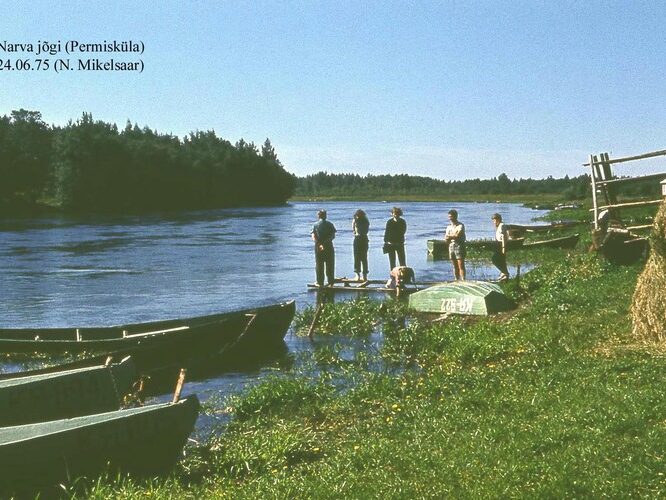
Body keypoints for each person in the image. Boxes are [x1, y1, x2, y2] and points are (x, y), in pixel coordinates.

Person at [311, 209, 336, 287]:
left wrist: (318, 243)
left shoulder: (315, 225)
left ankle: (320, 282)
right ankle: (330, 282)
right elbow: (333, 236)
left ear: (319, 216)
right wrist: (326, 242)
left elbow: (313, 236)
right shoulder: (330, 224)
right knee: (330, 264)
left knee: (319, 264)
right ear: (325, 215)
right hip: (328, 246)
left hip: (318, 246)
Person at [444, 209, 466, 280]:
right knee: (454, 265)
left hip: (459, 245)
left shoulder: (460, 225)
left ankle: (463, 280)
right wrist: (451, 237)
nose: (450, 219)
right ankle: (456, 280)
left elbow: (457, 235)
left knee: (461, 265)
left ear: (455, 216)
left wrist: (450, 236)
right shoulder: (448, 227)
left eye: (452, 217)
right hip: (451, 246)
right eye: (449, 217)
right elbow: (446, 238)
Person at [352, 209, 369, 281]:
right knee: (359, 257)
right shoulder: (364, 221)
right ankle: (359, 275)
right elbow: (353, 229)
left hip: (361, 238)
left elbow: (353, 230)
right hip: (361, 238)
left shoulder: (362, 221)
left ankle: (363, 275)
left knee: (362, 257)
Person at [491, 213, 510, 281]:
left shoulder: (502, 225)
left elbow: (503, 237)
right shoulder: (499, 226)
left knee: (495, 259)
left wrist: (503, 248)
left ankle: (505, 273)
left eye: (495, 220)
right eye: (493, 220)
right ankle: (504, 274)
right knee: (501, 260)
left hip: (501, 245)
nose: (494, 222)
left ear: (499, 219)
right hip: (498, 244)